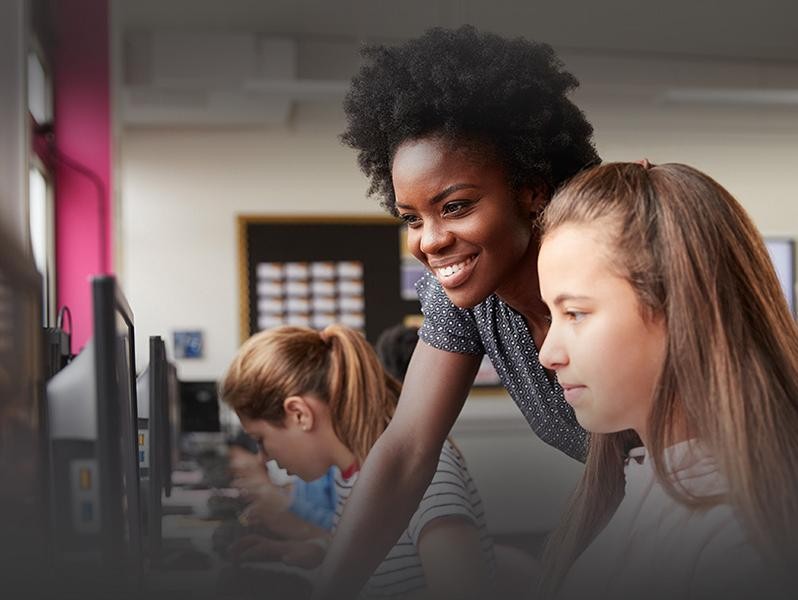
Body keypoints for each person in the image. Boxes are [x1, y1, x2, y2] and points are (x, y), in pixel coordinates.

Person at [315, 25, 599, 598]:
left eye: (457, 206)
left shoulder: (606, 274)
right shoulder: (461, 299)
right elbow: (406, 449)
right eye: (413, 218)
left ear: (533, 189)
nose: (430, 241)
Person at [535, 161, 798, 599]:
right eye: (551, 315)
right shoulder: (641, 485)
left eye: (576, 313)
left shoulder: (741, 538)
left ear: (680, 312)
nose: (548, 354)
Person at [219, 324, 495, 598]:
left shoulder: (423, 471)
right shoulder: (351, 475)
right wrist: (318, 549)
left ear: (299, 414)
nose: (263, 457)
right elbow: (390, 555)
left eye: (261, 439)